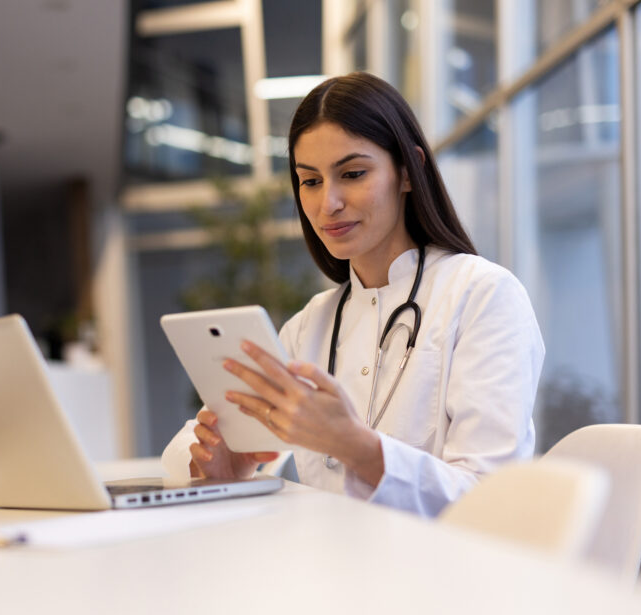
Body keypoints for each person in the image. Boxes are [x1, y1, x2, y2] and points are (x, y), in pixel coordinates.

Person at [161, 72, 545, 517]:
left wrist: (356, 445)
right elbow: (180, 457)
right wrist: (228, 474)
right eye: (310, 181)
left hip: (442, 574)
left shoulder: (484, 297)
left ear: (408, 171)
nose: (329, 204)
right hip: (335, 566)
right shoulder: (308, 326)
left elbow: (491, 501)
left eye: (353, 173)